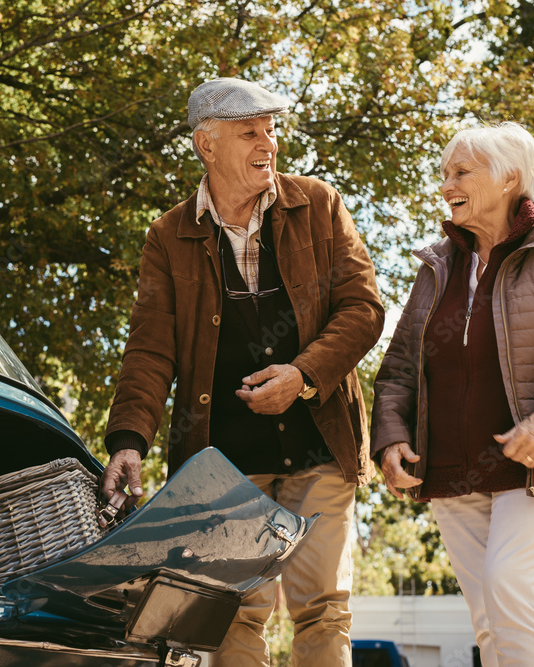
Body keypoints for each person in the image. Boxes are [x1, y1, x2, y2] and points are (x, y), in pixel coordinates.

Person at [100, 77, 385, 666]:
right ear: (207, 146)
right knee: (232, 612)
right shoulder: (168, 235)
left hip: (318, 444)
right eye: (250, 132)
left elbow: (363, 309)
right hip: (223, 462)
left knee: (323, 606)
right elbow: (151, 351)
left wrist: (302, 376)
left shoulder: (320, 205)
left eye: (271, 130)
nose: (269, 143)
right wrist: (129, 440)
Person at [371, 122, 534, 667]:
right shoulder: (438, 266)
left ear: (510, 176)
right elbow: (399, 368)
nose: (446, 185)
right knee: (488, 615)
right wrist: (391, 440)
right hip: (447, 465)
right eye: (444, 174)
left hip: (533, 463)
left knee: (509, 585)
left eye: (461, 172)